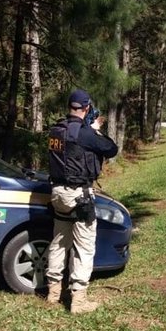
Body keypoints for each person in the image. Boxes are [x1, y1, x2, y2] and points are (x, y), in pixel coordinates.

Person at [46, 89, 118, 313]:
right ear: (86, 108)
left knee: (59, 242)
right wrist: (95, 130)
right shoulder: (86, 133)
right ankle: (78, 300)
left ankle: (53, 293)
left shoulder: (56, 130)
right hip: (79, 196)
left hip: (57, 192)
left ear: (70, 106)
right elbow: (111, 149)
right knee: (84, 246)